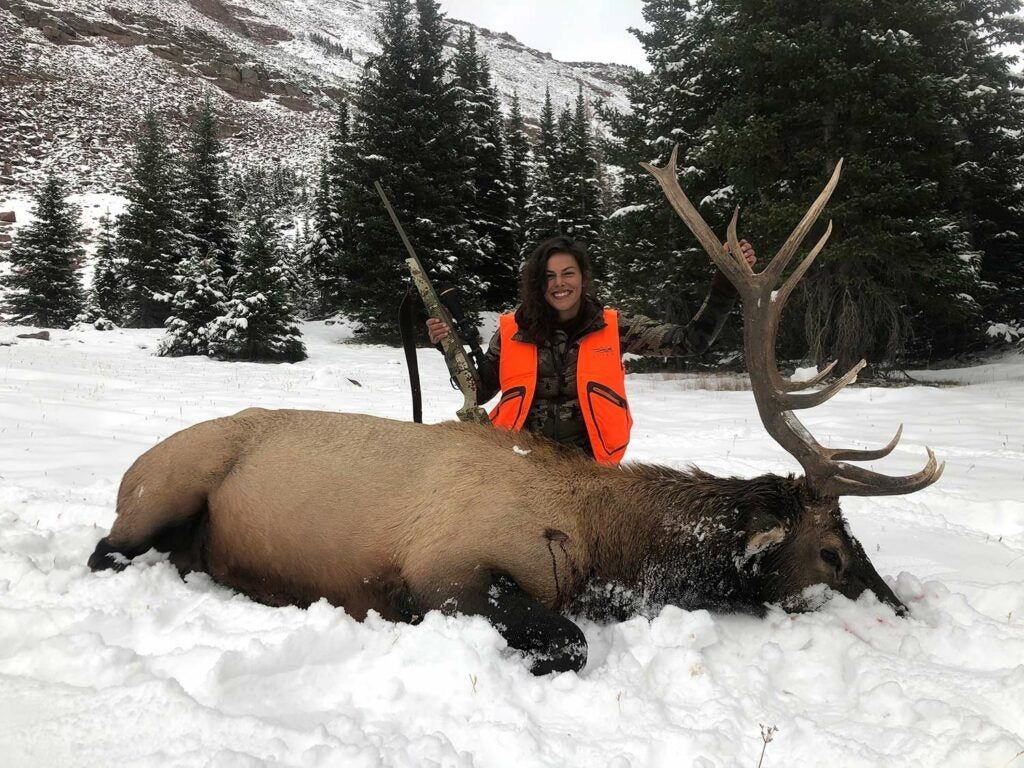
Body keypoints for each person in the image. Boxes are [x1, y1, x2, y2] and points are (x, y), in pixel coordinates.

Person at [427, 235, 756, 464]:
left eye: (568, 273)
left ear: (583, 278)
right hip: (517, 464)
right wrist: (448, 347)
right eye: (550, 276)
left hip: (588, 468)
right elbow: (481, 391)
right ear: (538, 284)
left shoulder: (612, 326)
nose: (560, 283)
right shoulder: (514, 330)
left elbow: (691, 341)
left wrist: (725, 283)